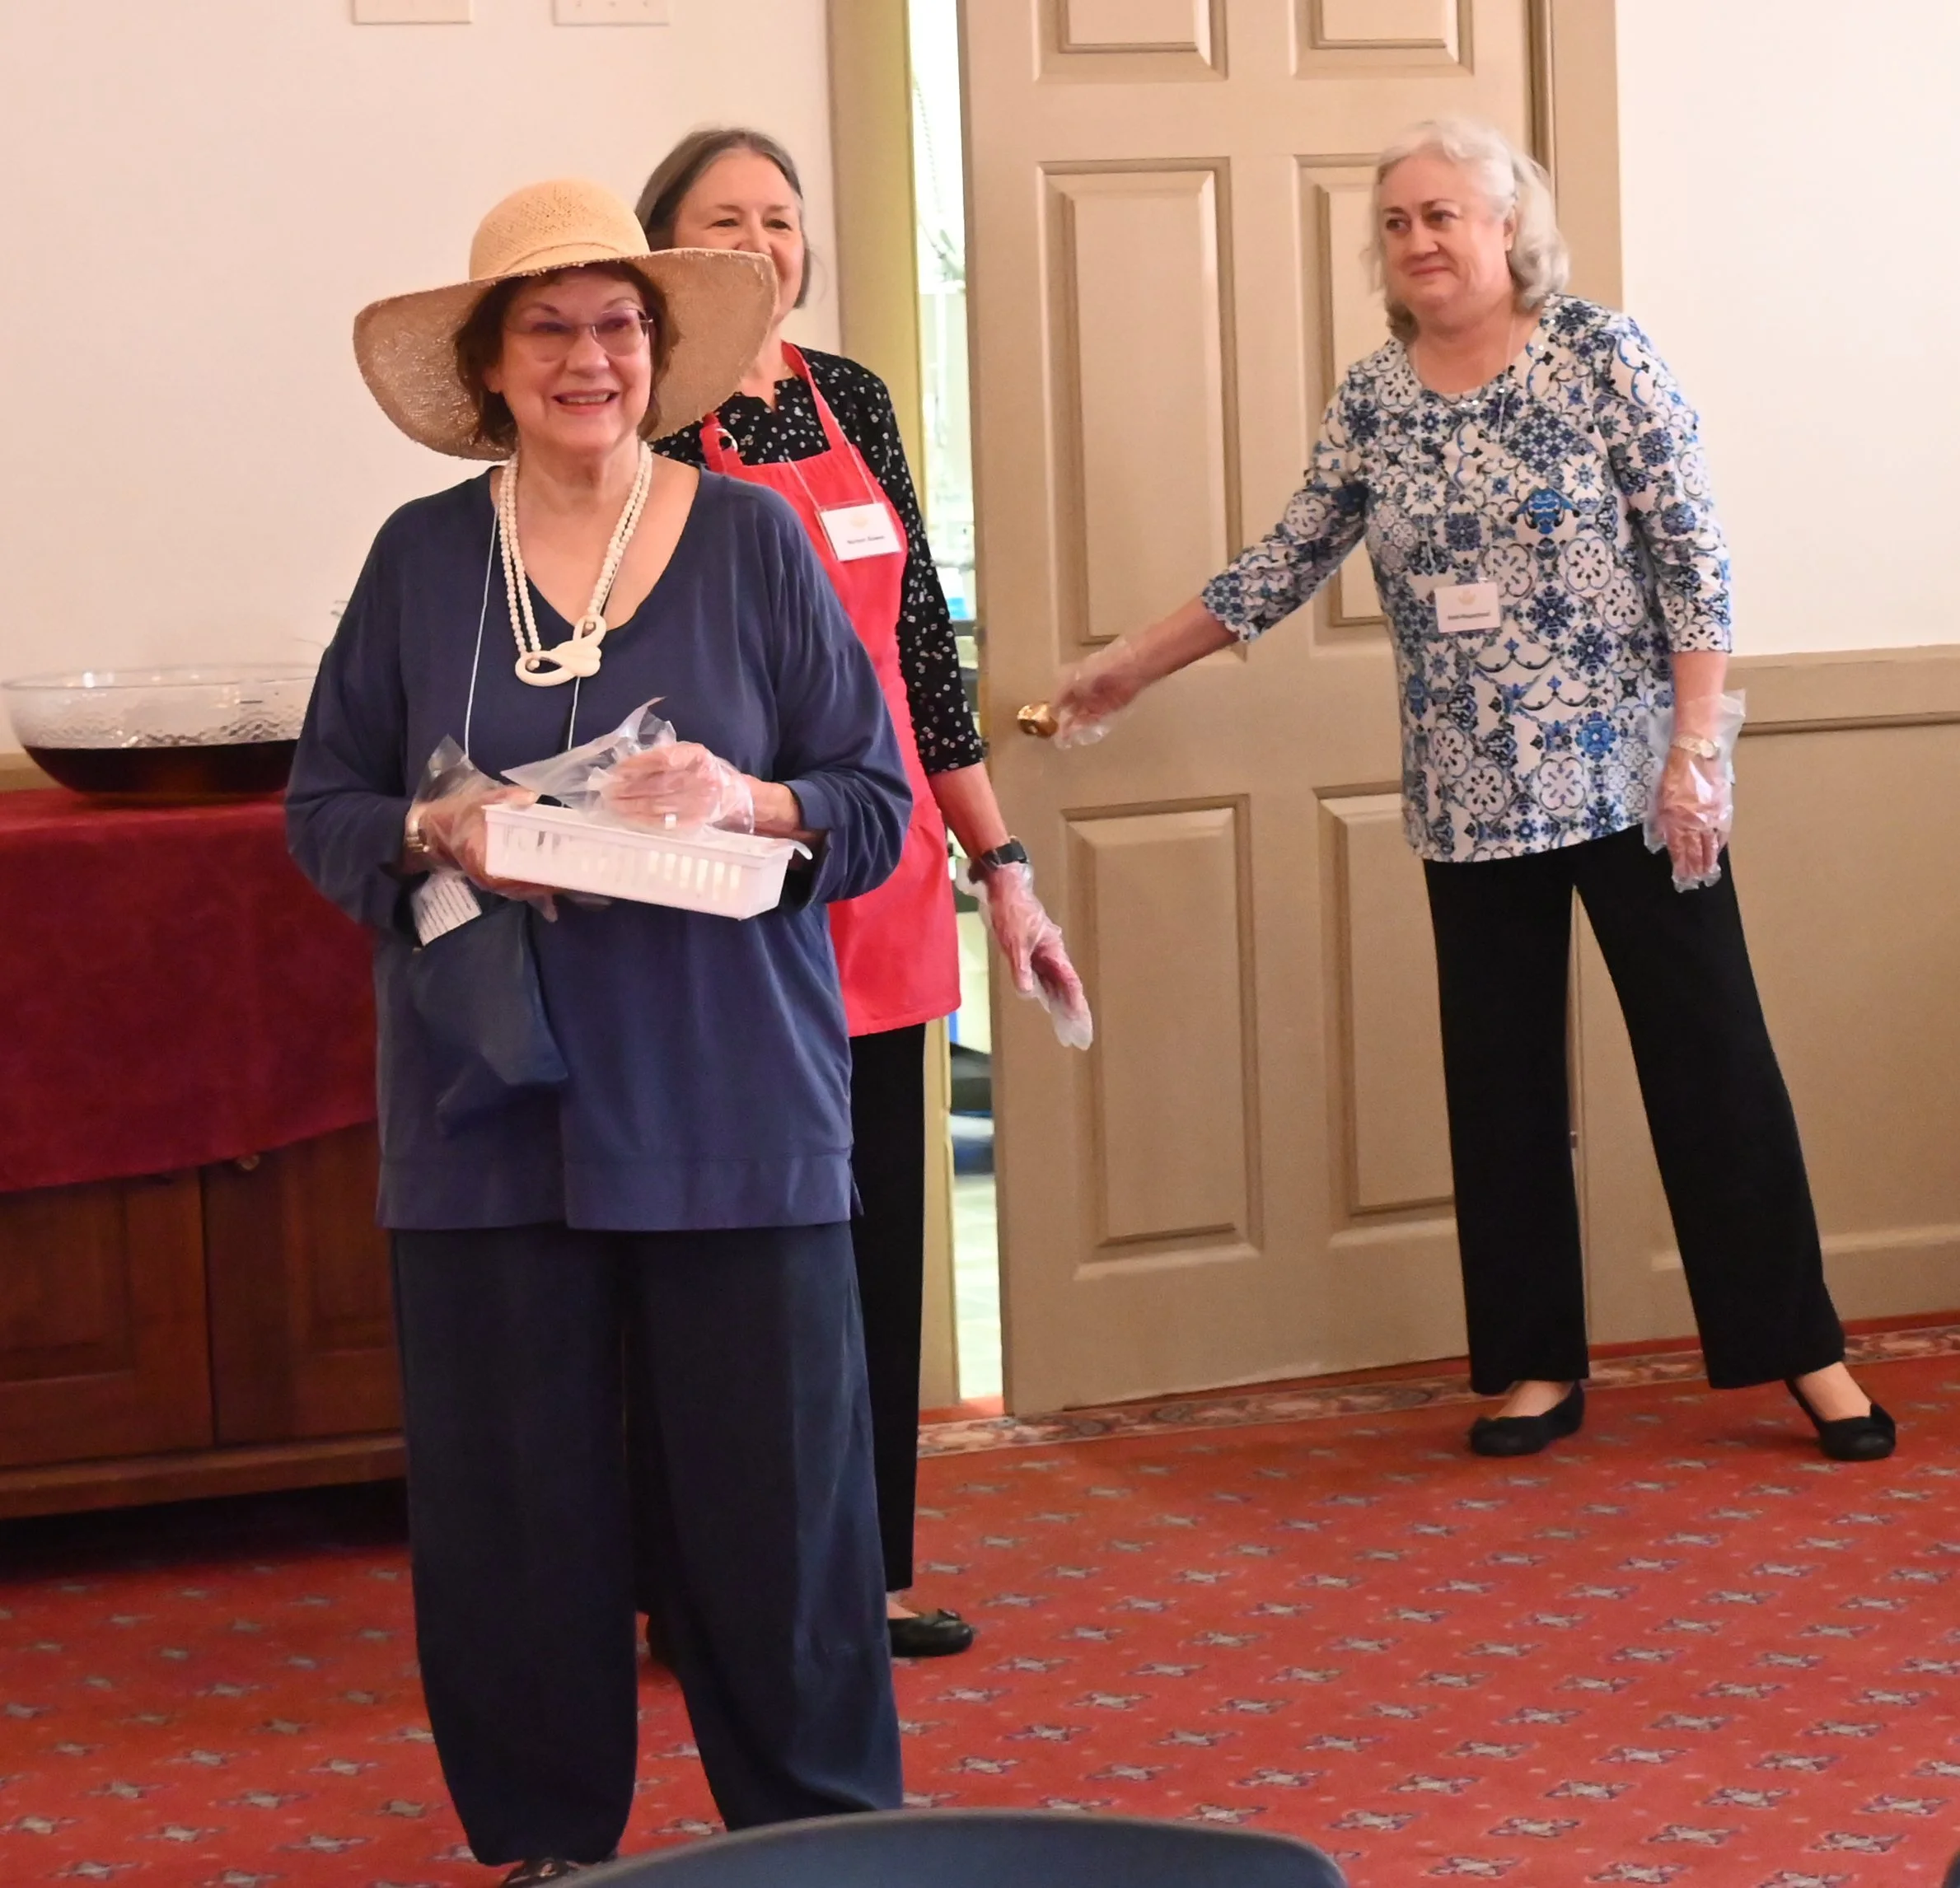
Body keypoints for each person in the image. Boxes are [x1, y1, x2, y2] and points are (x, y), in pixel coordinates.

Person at [1044, 117, 1894, 1466]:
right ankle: (1532, 1367)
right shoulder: (1375, 396)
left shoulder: (1600, 354)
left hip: (1632, 781)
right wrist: (1128, 669)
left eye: (1444, 215)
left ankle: (1804, 1352)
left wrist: (1695, 749)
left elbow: (1694, 556)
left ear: (1509, 228)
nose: (1419, 241)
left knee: (1712, 1061)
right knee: (1496, 1086)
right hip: (1466, 788)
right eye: (1395, 222)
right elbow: (1290, 554)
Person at [288, 177, 914, 1884]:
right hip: (490, 1108)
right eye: (549, 328)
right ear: (490, 368)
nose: (592, 357)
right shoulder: (422, 560)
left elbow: (872, 810)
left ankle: (819, 1843)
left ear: (658, 351)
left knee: (776, 1521)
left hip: (731, 1103)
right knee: (513, 1525)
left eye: (619, 324)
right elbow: (326, 805)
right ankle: (545, 1848)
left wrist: (752, 794)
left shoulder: (752, 538)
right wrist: (444, 829)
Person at [634, 128, 1091, 1660]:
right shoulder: (648, 427)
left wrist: (1003, 867)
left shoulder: (851, 401)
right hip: (726, 885)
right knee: (730, 1245)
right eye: (724, 221)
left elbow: (924, 670)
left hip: (879, 869)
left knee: (867, 1238)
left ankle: (868, 1569)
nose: (761, 242)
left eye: (781, 217)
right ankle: (698, 1585)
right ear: (667, 256)